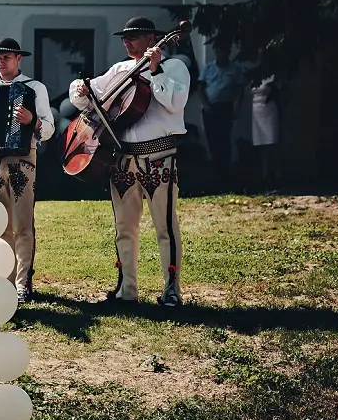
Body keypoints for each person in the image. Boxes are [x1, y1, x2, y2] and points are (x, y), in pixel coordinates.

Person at [69, 17, 190, 307]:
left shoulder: (174, 67)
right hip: (123, 157)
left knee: (165, 226)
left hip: (160, 156)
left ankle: (171, 289)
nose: (127, 42)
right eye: (125, 37)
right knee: (124, 227)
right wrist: (81, 89)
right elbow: (85, 97)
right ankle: (127, 290)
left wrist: (155, 69)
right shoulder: (119, 69)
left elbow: (176, 102)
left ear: (152, 39)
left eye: (134, 37)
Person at [0, 38, 54, 303]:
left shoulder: (34, 88)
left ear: (19, 59)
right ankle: (4, 279)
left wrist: (32, 121)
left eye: (6, 57)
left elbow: (49, 129)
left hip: (21, 159)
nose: (2, 62)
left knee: (23, 223)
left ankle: (23, 282)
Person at [197, 39, 246, 189]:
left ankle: (225, 175)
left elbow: (239, 90)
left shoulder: (235, 69)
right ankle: (215, 174)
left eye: (223, 50)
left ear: (228, 52)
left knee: (224, 140)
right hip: (211, 108)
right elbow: (200, 87)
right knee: (213, 140)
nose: (220, 53)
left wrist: (237, 108)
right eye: (217, 50)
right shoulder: (208, 68)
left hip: (225, 107)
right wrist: (205, 105)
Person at [251, 74, 280, 191]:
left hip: (268, 109)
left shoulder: (273, 76)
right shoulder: (254, 76)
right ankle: (263, 175)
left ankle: (273, 175)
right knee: (261, 144)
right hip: (256, 110)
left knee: (271, 143)